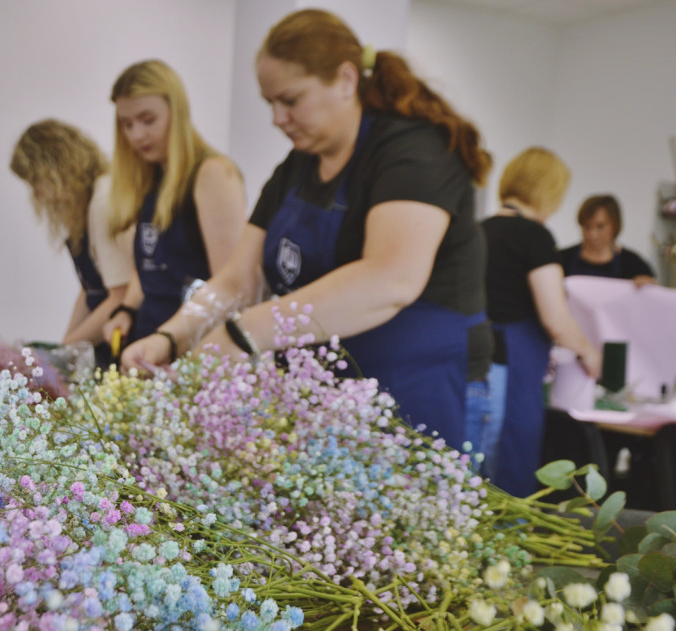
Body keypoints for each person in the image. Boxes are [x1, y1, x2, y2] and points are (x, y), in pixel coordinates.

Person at [120, 9, 493, 452]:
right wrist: (172, 335)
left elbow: (391, 278)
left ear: (346, 80)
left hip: (422, 387)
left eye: (290, 100)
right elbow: (240, 278)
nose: (278, 117)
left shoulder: (415, 151)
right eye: (269, 103)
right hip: (326, 396)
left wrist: (245, 333)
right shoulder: (299, 165)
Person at [471, 148, 601, 496]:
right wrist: (589, 352)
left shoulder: (478, 230)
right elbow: (555, 319)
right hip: (507, 370)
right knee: (506, 478)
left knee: (471, 476)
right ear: (549, 191)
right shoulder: (535, 237)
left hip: (470, 366)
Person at [101, 60, 246, 347]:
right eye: (127, 124)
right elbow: (148, 268)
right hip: (148, 345)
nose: (137, 135)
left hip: (190, 350)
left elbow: (230, 286)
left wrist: (170, 339)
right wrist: (126, 309)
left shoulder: (212, 174)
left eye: (147, 120)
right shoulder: (150, 179)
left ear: (176, 111)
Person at [10, 119, 133, 365]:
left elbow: (120, 295)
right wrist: (65, 346)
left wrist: (65, 351)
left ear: (55, 169)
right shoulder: (84, 208)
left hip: (128, 336)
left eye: (36, 181)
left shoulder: (103, 202)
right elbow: (91, 289)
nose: (38, 194)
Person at [559, 194, 656, 286]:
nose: (592, 234)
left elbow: (654, 296)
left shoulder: (634, 265)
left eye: (600, 226)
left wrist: (647, 286)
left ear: (614, 226)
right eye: (587, 227)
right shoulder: (562, 259)